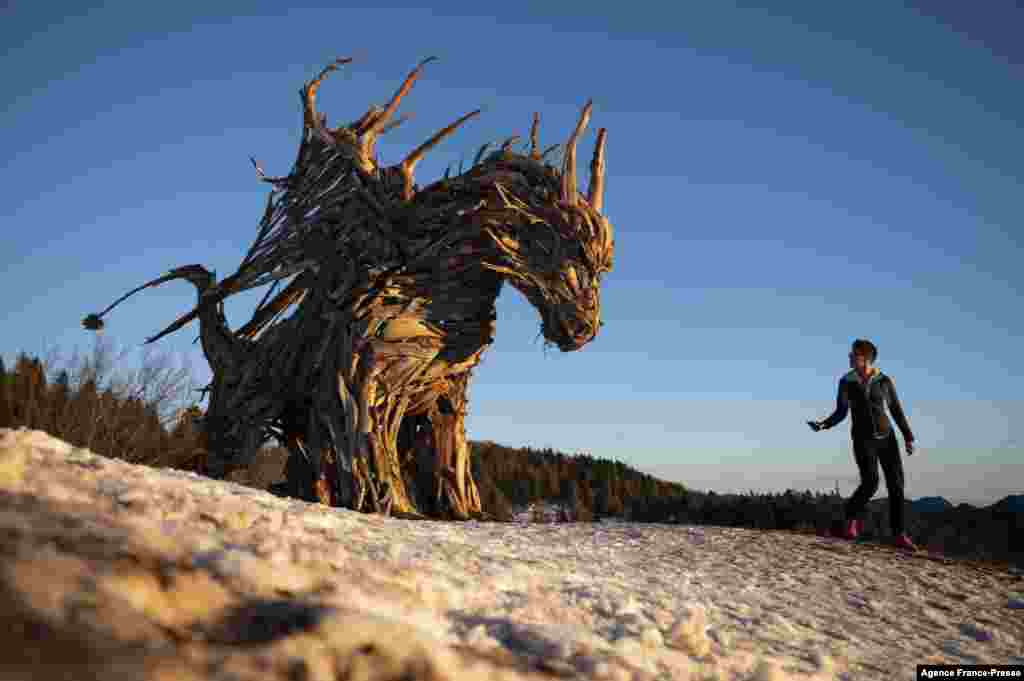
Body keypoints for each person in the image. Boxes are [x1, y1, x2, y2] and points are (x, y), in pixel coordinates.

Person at [807, 339, 918, 551]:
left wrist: (908, 436)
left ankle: (898, 535)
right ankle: (849, 523)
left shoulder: (884, 380)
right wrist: (823, 425)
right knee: (871, 482)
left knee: (896, 486)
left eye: (853, 354)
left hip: (887, 438)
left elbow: (895, 410)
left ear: (865, 358)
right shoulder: (846, 381)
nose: (849, 357)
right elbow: (841, 412)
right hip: (862, 439)